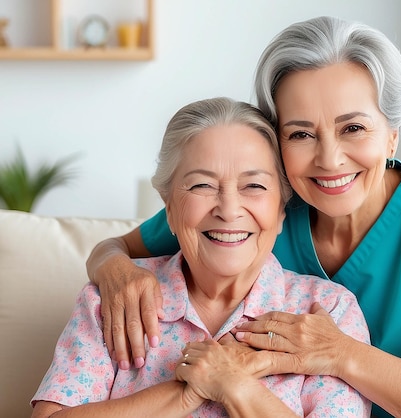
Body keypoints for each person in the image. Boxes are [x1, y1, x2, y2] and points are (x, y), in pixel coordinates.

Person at [86, 16, 401, 418]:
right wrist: (114, 272)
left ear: (391, 135)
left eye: (353, 128)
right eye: (301, 134)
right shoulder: (258, 209)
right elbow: (118, 247)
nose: (329, 159)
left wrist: (337, 354)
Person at [31, 97, 371, 418]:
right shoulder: (111, 299)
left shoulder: (329, 311)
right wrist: (184, 393)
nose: (228, 209)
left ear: (281, 210)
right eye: (201, 186)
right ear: (169, 207)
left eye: (254, 186)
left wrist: (235, 386)